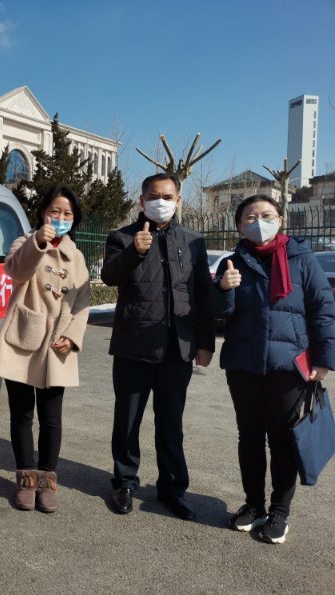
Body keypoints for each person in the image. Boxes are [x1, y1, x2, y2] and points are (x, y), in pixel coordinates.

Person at [209, 194, 335, 544]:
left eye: (266, 215)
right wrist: (223, 289)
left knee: (283, 440)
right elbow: (217, 312)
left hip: (289, 366)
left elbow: (323, 308)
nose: (259, 222)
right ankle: (253, 504)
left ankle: (280, 511)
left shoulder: (302, 259)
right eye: (250, 217)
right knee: (249, 437)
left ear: (280, 219)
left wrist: (325, 359)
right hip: (244, 364)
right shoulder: (232, 262)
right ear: (239, 226)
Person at [101, 172, 215, 521]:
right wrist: (135, 252)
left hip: (177, 348)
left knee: (171, 423)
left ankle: (172, 489)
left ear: (178, 200)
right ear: (141, 200)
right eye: (153, 196)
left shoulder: (193, 241)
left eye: (167, 196)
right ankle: (124, 482)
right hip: (133, 345)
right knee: (127, 420)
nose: (160, 202)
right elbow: (109, 276)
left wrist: (205, 342)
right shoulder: (122, 237)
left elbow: (202, 295)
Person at [0, 185, 91, 513]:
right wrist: (38, 243)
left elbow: (83, 302)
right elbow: (16, 272)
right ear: (43, 213)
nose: (60, 218)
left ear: (74, 219)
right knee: (21, 414)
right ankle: (25, 480)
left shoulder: (77, 256)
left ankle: (47, 482)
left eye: (67, 214)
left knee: (51, 418)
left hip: (57, 344)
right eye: (55, 211)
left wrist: (72, 336)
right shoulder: (25, 242)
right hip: (23, 338)